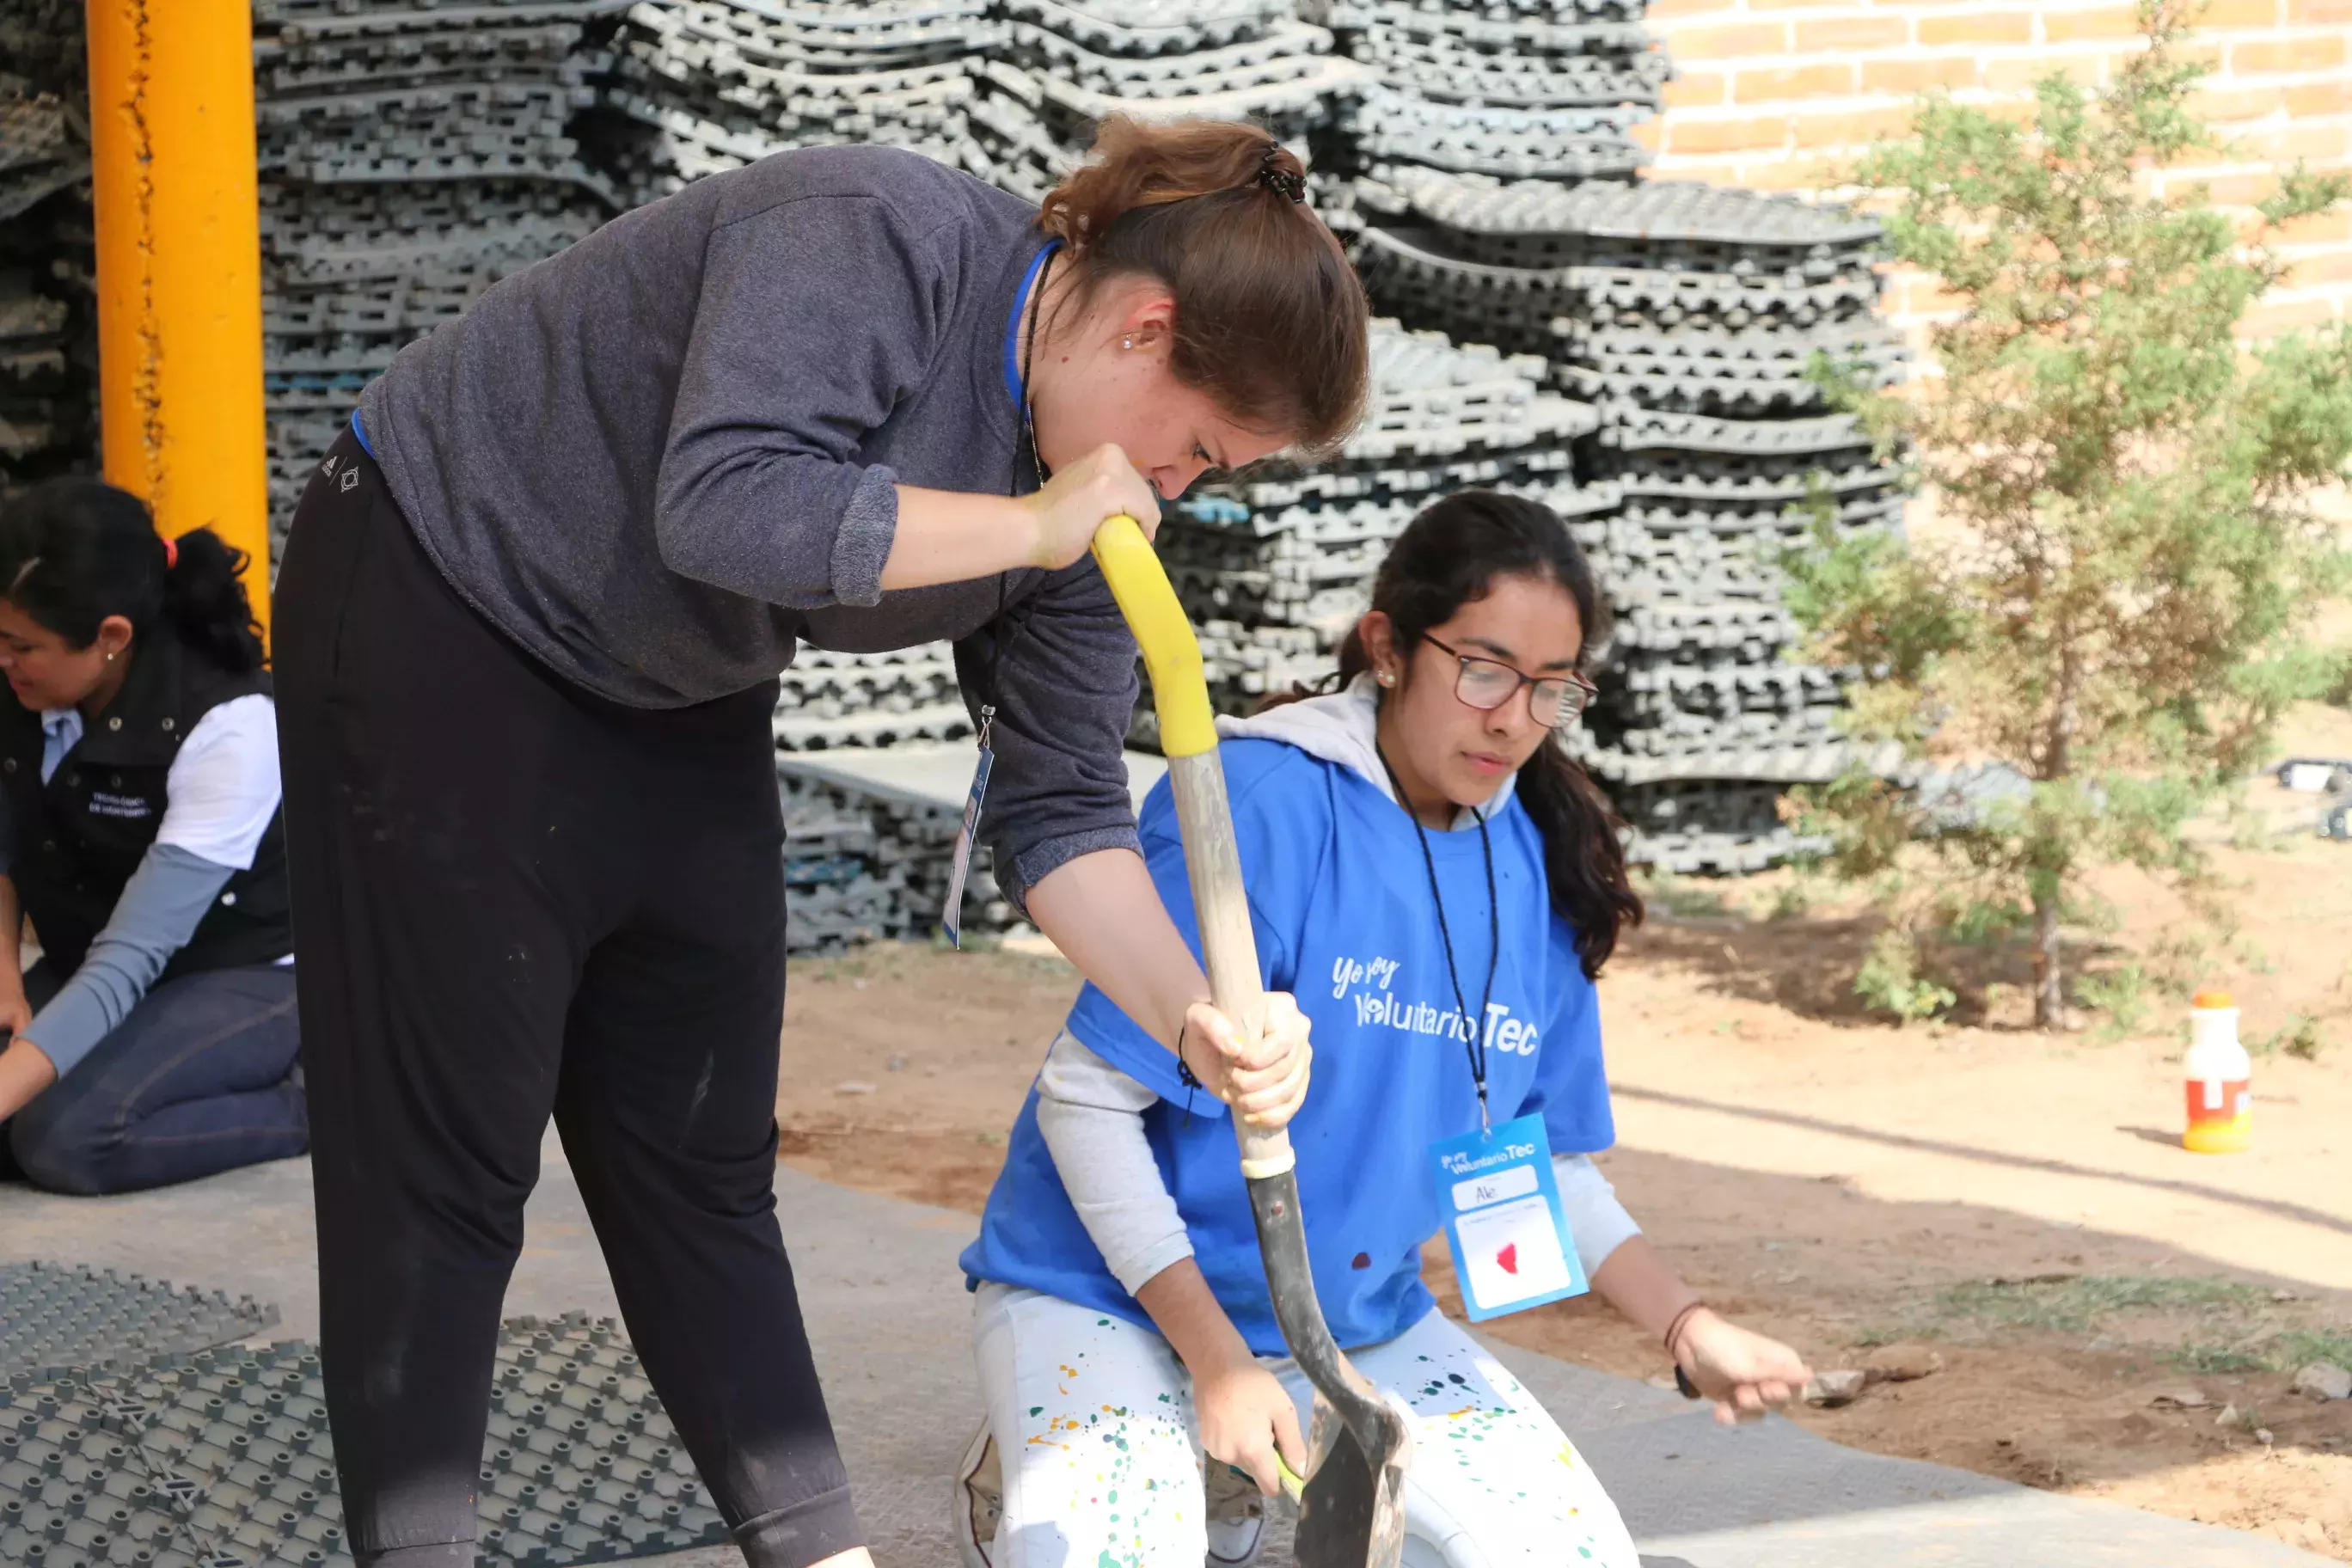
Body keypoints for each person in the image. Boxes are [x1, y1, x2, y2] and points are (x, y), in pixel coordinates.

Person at [272, 117, 1366, 1568]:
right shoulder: (872, 233)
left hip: (677, 679)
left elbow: (1060, 816)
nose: (1177, 491)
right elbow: (726, 504)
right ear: (1145, 330)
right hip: (446, 593)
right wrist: (1036, 522)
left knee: (701, 1158)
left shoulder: (1090, 517)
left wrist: (1198, 1012)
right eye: (1199, 452)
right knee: (451, 1165)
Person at [953, 491, 1814, 1568]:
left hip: (1352, 1322)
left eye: (1553, 689)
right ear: (1390, 647)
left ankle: (1227, 1470)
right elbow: (1085, 1103)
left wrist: (1692, 1330)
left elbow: (1531, 1160)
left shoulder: (1532, 864)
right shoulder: (1257, 803)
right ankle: (1104, 1455)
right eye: (1486, 669)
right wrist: (1219, 1361)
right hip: (1109, 1294)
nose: (1513, 718)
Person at [0, 479, 301, 1196]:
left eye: (21, 646)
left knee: (65, 1138)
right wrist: (6, 978)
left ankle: (321, 1103)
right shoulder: (28, 688)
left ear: (110, 637)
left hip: (246, 971)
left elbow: (128, 960)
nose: (3, 660)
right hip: (100, 954)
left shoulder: (229, 726)